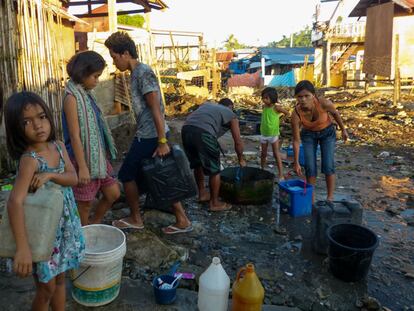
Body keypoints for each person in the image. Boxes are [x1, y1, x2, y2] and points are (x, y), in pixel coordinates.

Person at [104, 31, 192, 234]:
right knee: (160, 173)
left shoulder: (142, 72)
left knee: (127, 174)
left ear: (125, 53)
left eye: (115, 57)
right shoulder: (136, 73)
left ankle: (136, 218)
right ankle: (182, 219)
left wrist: (162, 141)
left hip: (152, 135)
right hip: (148, 133)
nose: (114, 63)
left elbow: (155, 108)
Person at [4, 91, 85, 310]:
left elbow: (73, 178)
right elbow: (15, 202)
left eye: (41, 117)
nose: (38, 125)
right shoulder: (30, 161)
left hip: (63, 230)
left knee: (60, 280)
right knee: (46, 289)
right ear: (15, 128)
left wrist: (50, 175)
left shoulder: (58, 146)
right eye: (26, 122)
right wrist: (23, 248)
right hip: (42, 234)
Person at [63, 51, 120, 226]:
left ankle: (94, 223)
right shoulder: (71, 98)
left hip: (97, 158)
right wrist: (82, 168)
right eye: (95, 76)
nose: (97, 80)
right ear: (83, 72)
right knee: (85, 203)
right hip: (81, 158)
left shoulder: (87, 95)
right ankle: (83, 236)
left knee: (113, 193)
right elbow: (74, 135)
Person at [181, 98, 246, 211]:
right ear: (230, 107)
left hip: (186, 129)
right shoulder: (231, 114)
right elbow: (238, 142)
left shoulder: (207, 105)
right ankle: (214, 203)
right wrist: (241, 159)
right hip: (203, 133)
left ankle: (202, 194)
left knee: (197, 164)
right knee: (215, 170)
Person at [291, 80, 348, 203]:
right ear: (296, 98)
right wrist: (296, 162)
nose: (303, 100)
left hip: (327, 133)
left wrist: (343, 130)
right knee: (310, 167)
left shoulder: (323, 103)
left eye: (307, 96)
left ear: (313, 96)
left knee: (328, 165)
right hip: (308, 135)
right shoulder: (296, 114)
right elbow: (296, 140)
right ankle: (311, 199)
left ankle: (330, 197)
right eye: (300, 97)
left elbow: (336, 114)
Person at [259, 87, 289, 179]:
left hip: (273, 134)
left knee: (276, 154)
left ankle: (281, 174)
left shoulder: (276, 108)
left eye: (266, 98)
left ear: (272, 98)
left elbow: (287, 113)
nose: (264, 100)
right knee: (263, 154)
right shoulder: (264, 107)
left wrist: (280, 121)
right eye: (263, 98)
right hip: (264, 134)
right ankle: (262, 170)